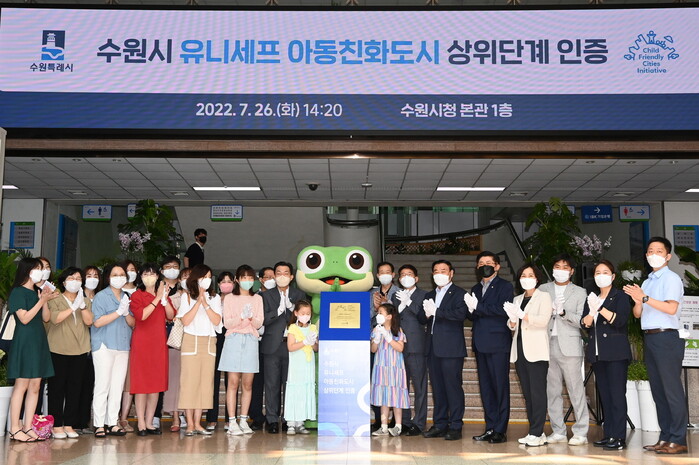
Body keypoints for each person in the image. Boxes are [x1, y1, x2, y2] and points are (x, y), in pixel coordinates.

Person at [624, 237, 688, 455]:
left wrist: (645, 298)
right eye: (650, 251)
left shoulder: (671, 279)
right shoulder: (647, 281)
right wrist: (638, 301)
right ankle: (665, 436)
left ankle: (678, 439)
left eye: (659, 251)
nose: (653, 254)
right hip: (650, 337)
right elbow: (637, 314)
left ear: (668, 256)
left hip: (667, 337)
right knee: (659, 392)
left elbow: (671, 309)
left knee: (671, 391)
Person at [539, 254, 589, 445]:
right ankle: (558, 430)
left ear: (572, 271)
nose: (560, 270)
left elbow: (581, 320)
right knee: (552, 391)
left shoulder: (580, 292)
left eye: (565, 267)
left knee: (576, 390)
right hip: (547, 344)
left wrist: (563, 312)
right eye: (557, 266)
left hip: (570, 346)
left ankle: (581, 431)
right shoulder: (543, 289)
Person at [464, 251, 514, 444]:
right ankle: (490, 427)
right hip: (480, 343)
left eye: (488, 262)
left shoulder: (505, 286)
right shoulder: (476, 288)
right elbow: (473, 315)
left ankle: (500, 430)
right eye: (481, 263)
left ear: (497, 266)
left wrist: (478, 307)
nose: (484, 266)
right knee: (486, 389)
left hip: (498, 343)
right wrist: (470, 309)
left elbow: (502, 309)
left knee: (500, 387)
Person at [7, 258, 58, 443]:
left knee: (35, 385)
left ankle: (28, 426)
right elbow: (25, 318)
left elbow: (46, 318)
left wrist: (44, 299)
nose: (41, 272)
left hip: (38, 340)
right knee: (21, 385)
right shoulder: (18, 292)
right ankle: (15, 428)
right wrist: (41, 300)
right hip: (25, 341)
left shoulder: (37, 291)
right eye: (37, 268)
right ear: (27, 270)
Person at [582, 260, 631, 451]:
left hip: (615, 353)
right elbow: (585, 324)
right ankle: (609, 433)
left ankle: (619, 437)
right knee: (605, 396)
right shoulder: (592, 297)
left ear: (613, 276)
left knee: (617, 395)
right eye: (597, 272)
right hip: (597, 353)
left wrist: (600, 309)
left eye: (605, 272)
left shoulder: (620, 296)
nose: (600, 275)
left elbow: (620, 321)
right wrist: (591, 311)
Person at [418, 260, 469, 441]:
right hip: (432, 347)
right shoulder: (430, 294)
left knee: (453, 387)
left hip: (451, 348)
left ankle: (455, 425)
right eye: (436, 271)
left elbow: (460, 315)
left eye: (443, 270)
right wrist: (426, 314)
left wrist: (437, 311)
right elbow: (421, 318)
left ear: (451, 273)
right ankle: (440, 424)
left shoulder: (460, 293)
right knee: (438, 388)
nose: (439, 274)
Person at [504, 263, 552, 447]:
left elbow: (543, 321)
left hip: (537, 351)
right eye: (523, 275)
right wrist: (512, 320)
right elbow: (513, 326)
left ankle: (537, 432)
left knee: (537, 393)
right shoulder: (517, 299)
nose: (526, 278)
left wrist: (523, 315)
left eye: (530, 275)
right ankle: (536, 432)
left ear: (537, 278)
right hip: (520, 350)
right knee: (528, 394)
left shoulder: (544, 296)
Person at [46, 267, 94, 439]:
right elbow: (54, 318)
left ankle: (69, 424)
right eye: (71, 278)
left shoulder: (85, 300)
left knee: (75, 388)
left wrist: (82, 306)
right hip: (58, 349)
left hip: (80, 349)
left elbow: (89, 322)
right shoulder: (55, 298)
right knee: (57, 388)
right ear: (64, 281)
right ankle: (56, 425)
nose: (75, 281)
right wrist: (72, 308)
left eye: (78, 278)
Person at [261, 261, 308, 433]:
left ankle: (290, 419)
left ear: (292, 276)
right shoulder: (265, 296)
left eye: (285, 273)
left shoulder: (299, 294)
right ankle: (272, 420)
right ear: (274, 276)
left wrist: (291, 309)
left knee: (290, 384)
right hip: (272, 345)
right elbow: (263, 319)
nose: (282, 276)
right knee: (271, 385)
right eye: (279, 273)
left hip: (292, 345)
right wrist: (278, 311)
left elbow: (304, 319)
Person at [129, 263, 176, 436]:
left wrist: (165, 298)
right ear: (141, 277)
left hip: (158, 343)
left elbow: (171, 316)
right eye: (146, 274)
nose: (149, 277)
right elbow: (141, 315)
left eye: (153, 274)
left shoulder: (162, 294)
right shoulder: (137, 295)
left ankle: (149, 422)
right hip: (142, 343)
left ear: (158, 276)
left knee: (156, 384)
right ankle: (141, 422)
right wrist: (157, 299)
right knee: (141, 385)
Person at [177, 264, 222, 436]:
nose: (207, 280)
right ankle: (189, 423)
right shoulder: (186, 296)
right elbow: (186, 321)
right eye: (204, 277)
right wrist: (198, 302)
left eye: (209, 277)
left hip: (209, 342)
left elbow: (217, 321)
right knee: (190, 383)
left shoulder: (215, 297)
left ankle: (198, 423)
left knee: (205, 384)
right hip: (191, 341)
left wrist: (206, 304)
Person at [91, 263, 135, 438]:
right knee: (103, 385)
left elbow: (133, 323)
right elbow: (97, 322)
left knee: (117, 386)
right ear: (108, 277)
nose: (119, 277)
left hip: (122, 345)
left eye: (122, 274)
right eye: (115, 274)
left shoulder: (126, 297)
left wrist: (126, 313)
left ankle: (112, 422)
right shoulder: (101, 296)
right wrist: (118, 312)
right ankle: (98, 423)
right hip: (104, 345)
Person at [219, 265, 264, 436]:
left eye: (250, 278)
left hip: (251, 340)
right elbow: (227, 323)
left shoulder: (257, 299)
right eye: (244, 277)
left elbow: (259, 323)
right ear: (237, 280)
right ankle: (232, 421)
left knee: (248, 383)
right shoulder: (230, 298)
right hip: (234, 340)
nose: (248, 281)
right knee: (232, 382)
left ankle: (244, 420)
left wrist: (251, 318)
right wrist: (242, 318)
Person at [391, 264, 428, 436]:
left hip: (416, 346)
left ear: (416, 278)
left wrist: (409, 303)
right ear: (399, 279)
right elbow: (393, 319)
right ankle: (404, 421)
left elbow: (423, 317)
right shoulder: (395, 295)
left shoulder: (424, 295)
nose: (406, 277)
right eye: (403, 274)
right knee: (401, 386)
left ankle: (419, 423)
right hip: (399, 347)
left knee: (419, 386)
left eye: (410, 274)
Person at [371, 302, 408, 437]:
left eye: (381, 313)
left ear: (389, 316)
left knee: (396, 396)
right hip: (381, 367)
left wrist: (388, 337)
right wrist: (376, 340)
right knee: (384, 396)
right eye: (378, 313)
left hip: (395, 367)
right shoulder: (376, 330)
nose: (378, 315)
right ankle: (384, 426)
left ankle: (398, 426)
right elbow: (373, 350)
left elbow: (400, 348)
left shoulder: (398, 331)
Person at [369, 261, 399, 430]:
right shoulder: (371, 293)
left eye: (388, 272)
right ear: (377, 275)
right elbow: (367, 317)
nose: (385, 274)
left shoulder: (399, 292)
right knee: (377, 380)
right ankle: (379, 419)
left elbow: (400, 316)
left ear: (393, 275)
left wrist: (388, 305)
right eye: (382, 272)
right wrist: (375, 309)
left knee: (394, 382)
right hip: (377, 340)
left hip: (393, 341)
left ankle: (395, 420)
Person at [163, 266, 190, 432]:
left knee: (190, 381)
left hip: (194, 344)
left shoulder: (201, 298)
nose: (188, 280)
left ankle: (189, 415)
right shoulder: (173, 298)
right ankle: (175, 417)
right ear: (180, 280)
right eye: (184, 277)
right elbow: (170, 317)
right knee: (174, 381)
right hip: (176, 343)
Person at [207, 271, 234, 431]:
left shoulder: (237, 299)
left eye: (229, 281)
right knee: (214, 379)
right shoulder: (213, 298)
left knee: (231, 380)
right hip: (215, 339)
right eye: (223, 281)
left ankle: (230, 419)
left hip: (231, 339)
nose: (226, 284)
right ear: (218, 284)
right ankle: (212, 418)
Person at [249, 266, 275, 430]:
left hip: (274, 344)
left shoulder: (281, 297)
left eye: (274, 277)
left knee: (273, 382)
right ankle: (256, 416)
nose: (271, 280)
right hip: (256, 343)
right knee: (256, 382)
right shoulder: (254, 298)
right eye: (268, 277)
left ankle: (274, 417)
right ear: (261, 280)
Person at [77, 265, 101, 434]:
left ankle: (83, 422)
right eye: (89, 275)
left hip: (96, 348)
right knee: (76, 384)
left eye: (96, 276)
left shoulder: (101, 297)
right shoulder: (78, 296)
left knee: (89, 386)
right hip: (79, 345)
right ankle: (73, 421)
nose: (92, 278)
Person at [118, 259, 138, 433]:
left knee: (128, 384)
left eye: (133, 270)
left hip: (135, 342)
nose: (130, 273)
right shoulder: (113, 292)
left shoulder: (139, 293)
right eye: (127, 270)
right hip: (115, 341)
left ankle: (124, 418)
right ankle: (111, 418)